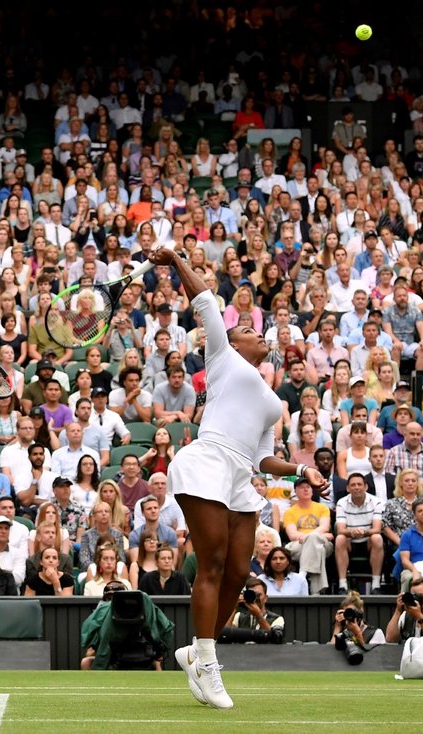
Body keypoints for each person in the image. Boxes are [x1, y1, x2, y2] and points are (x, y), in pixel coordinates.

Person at [153, 242, 326, 709]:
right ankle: (208, 665)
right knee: (210, 565)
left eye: (255, 328)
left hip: (240, 475)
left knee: (237, 573)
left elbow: (264, 459)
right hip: (207, 461)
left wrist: (302, 468)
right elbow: (205, 298)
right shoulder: (224, 358)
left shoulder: (273, 402)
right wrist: (173, 261)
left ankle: (196, 647)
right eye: (247, 328)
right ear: (236, 342)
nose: (256, 331)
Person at [334, 472, 385, 594]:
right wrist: (353, 532)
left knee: (377, 538)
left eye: (359, 484)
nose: (356, 487)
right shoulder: (341, 502)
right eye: (353, 485)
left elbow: (377, 529)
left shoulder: (377, 502)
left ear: (365, 487)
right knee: (340, 538)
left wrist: (363, 532)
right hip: (350, 541)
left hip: (368, 541)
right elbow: (340, 530)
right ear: (347, 488)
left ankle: (376, 585)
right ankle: (342, 585)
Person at [219, 577, 284, 644]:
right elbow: (224, 634)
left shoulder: (277, 618)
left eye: (258, 595)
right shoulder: (239, 616)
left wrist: (259, 616)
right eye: (251, 594)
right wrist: (234, 607)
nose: (255, 598)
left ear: (265, 598)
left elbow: (276, 638)